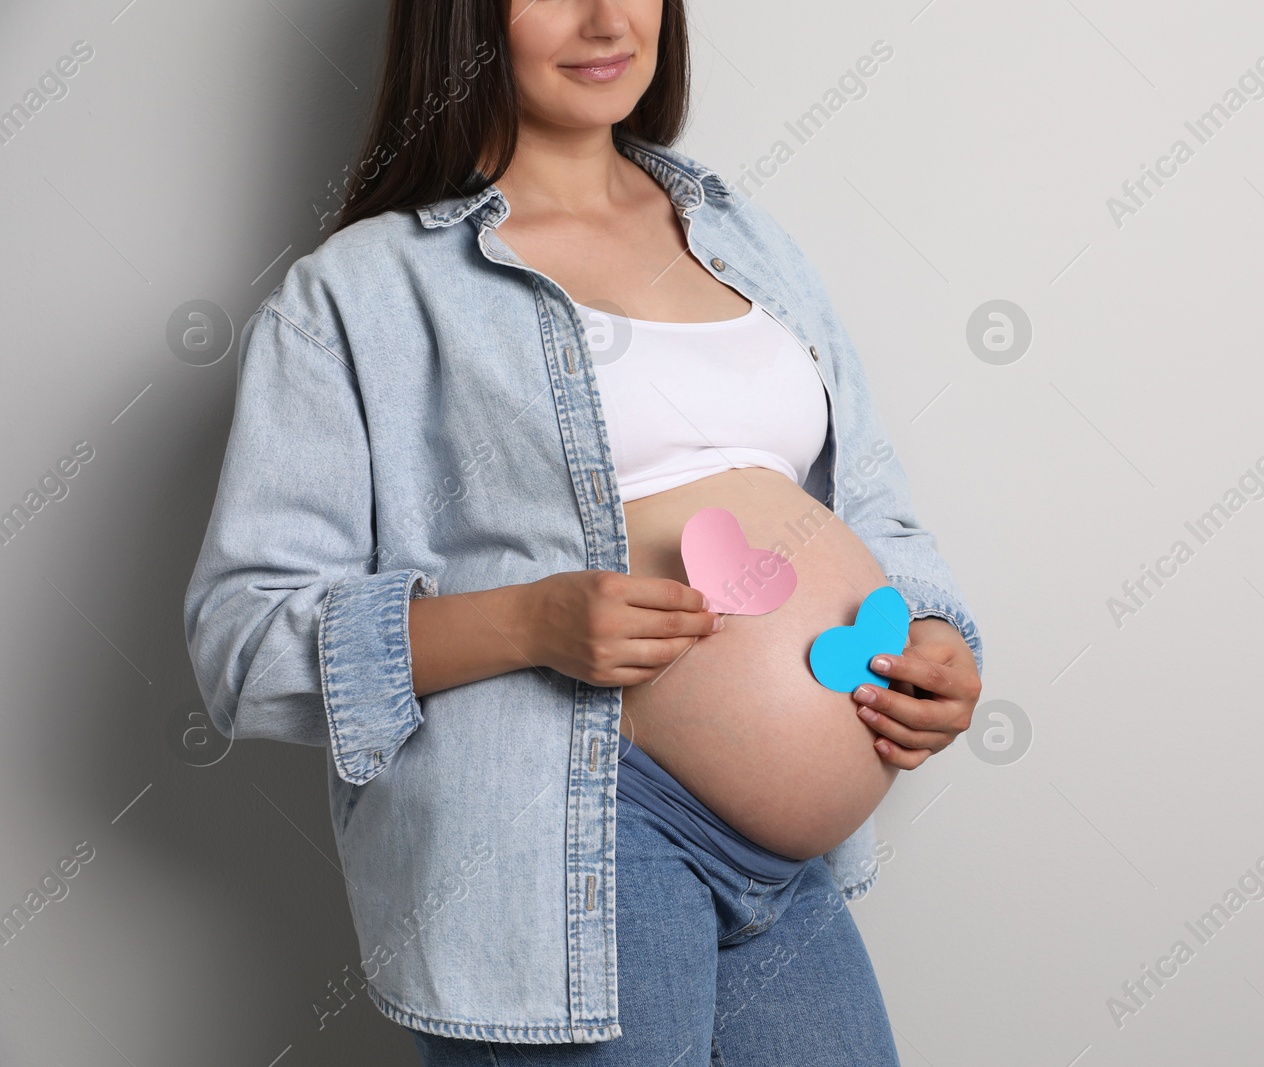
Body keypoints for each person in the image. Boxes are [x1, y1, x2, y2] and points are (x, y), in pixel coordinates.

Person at [183, 0, 984, 1062]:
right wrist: (529, 622)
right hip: (569, 847)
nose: (608, 18)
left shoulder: (744, 237)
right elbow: (244, 648)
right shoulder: (360, 295)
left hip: (791, 868)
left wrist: (940, 643)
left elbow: (875, 508)